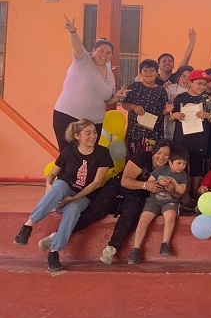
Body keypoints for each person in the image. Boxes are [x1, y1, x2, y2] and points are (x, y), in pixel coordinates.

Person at [13, 119, 113, 271]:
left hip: (84, 194)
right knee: (58, 187)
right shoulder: (69, 151)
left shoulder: (102, 153)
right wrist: (49, 187)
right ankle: (28, 226)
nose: (93, 136)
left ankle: (54, 252)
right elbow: (52, 174)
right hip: (65, 187)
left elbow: (96, 183)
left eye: (94, 132)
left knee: (73, 210)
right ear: (77, 136)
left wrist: (73, 198)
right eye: (88, 133)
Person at [53, 16, 127, 151]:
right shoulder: (83, 61)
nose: (104, 54)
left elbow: (106, 99)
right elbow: (77, 45)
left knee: (88, 159)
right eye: (101, 50)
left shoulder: (109, 74)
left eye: (108, 52)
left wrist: (116, 96)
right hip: (69, 117)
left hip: (94, 124)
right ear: (93, 51)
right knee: (69, 156)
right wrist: (72, 31)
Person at [127, 146, 189, 264]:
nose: (182, 166)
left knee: (170, 216)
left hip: (170, 201)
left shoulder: (183, 175)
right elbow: (149, 183)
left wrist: (174, 183)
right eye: (179, 163)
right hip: (154, 200)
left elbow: (181, 191)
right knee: (143, 220)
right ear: (170, 162)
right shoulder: (160, 170)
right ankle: (136, 248)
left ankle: (165, 243)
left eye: (184, 164)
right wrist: (159, 182)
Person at [171, 69, 211, 201]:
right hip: (182, 138)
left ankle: (195, 195)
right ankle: (181, 194)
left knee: (197, 166)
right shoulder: (180, 98)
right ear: (190, 83)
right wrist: (175, 115)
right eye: (199, 84)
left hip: (200, 139)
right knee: (181, 165)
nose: (202, 87)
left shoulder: (208, 99)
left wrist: (207, 115)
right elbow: (171, 117)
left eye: (204, 84)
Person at [121, 59, 172, 157]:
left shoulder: (161, 91)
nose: (149, 73)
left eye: (152, 70)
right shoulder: (134, 87)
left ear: (157, 73)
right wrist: (133, 106)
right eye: (145, 70)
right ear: (140, 73)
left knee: (150, 160)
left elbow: (163, 111)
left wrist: (168, 110)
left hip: (154, 134)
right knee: (132, 160)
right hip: (134, 132)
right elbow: (124, 104)